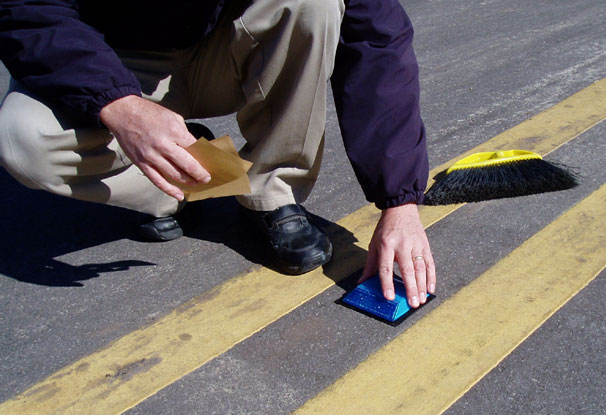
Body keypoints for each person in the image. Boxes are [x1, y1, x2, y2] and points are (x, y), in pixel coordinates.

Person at [0, 0, 435, 308]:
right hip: (114, 54)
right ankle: (192, 174)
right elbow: (27, 9)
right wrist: (117, 104)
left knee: (314, 4)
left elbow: (378, 40)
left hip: (224, 49)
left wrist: (401, 202)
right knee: (23, 139)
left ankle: (270, 191)